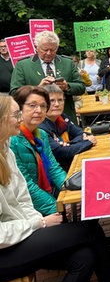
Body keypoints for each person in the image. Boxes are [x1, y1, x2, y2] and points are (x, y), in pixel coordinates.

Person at [0, 94, 110, 282]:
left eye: (43, 105)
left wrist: (37, 220)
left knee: (85, 256)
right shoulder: (14, 144)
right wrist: (39, 223)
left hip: (20, 234)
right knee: (89, 230)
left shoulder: (6, 149)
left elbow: (22, 198)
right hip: (5, 251)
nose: (21, 118)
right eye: (16, 114)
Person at [10, 86, 69, 215]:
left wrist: (70, 190)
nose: (39, 110)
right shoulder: (12, 140)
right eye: (32, 105)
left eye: (43, 106)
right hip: (27, 208)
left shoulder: (41, 134)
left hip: (47, 192)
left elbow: (53, 168)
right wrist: (58, 208)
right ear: (19, 107)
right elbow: (27, 185)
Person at [10, 31, 85, 125]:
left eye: (53, 50)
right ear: (36, 47)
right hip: (35, 120)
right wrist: (38, 89)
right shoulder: (23, 65)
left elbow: (81, 87)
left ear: (57, 48)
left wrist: (66, 86)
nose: (49, 53)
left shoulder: (68, 63)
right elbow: (14, 93)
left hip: (65, 118)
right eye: (45, 50)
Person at [38, 85, 96, 171]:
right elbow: (60, 152)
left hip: (69, 164)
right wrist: (88, 142)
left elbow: (81, 133)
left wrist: (68, 144)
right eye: (52, 101)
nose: (57, 104)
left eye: (60, 100)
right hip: (54, 173)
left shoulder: (62, 117)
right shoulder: (40, 126)